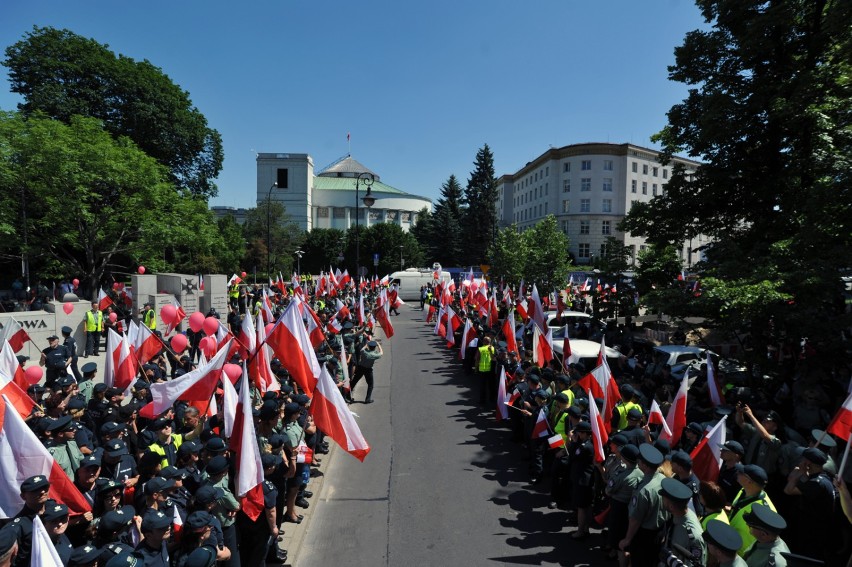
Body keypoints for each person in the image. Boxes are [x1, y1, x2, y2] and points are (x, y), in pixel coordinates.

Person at [619, 444, 668, 565]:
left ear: (645, 466)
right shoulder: (663, 479)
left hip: (644, 535)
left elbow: (635, 519)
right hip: (660, 532)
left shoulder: (643, 491)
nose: (638, 463)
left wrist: (627, 539)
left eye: (640, 462)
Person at [660, 477, 707, 566]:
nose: (661, 500)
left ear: (671, 507)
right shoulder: (679, 515)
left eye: (663, 499)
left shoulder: (693, 536)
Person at [349, 340, 382, 404]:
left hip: (361, 368)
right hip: (368, 370)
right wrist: (379, 345)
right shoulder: (374, 354)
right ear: (374, 347)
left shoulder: (364, 352)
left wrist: (367, 344)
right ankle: (367, 399)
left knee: (354, 381)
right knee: (370, 384)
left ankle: (348, 395)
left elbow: (361, 349)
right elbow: (381, 353)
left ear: (369, 347)